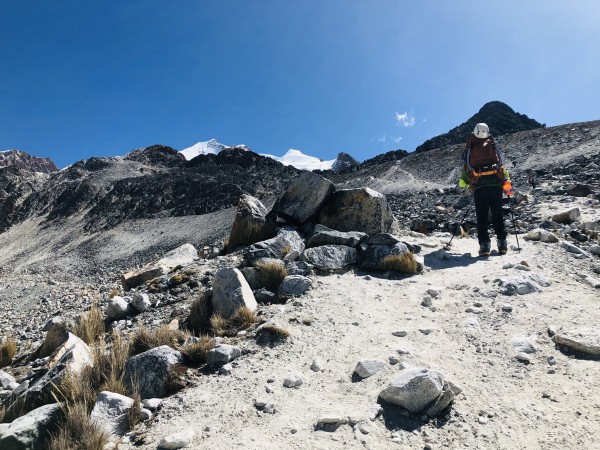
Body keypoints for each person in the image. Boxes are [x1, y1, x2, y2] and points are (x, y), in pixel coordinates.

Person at [458, 123, 512, 256]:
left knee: (481, 218)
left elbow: (466, 170)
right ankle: (502, 244)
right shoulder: (492, 146)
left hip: (479, 188)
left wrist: (464, 187)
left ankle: (485, 246)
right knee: (497, 215)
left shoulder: (470, 148)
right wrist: (508, 187)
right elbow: (501, 167)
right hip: (496, 186)